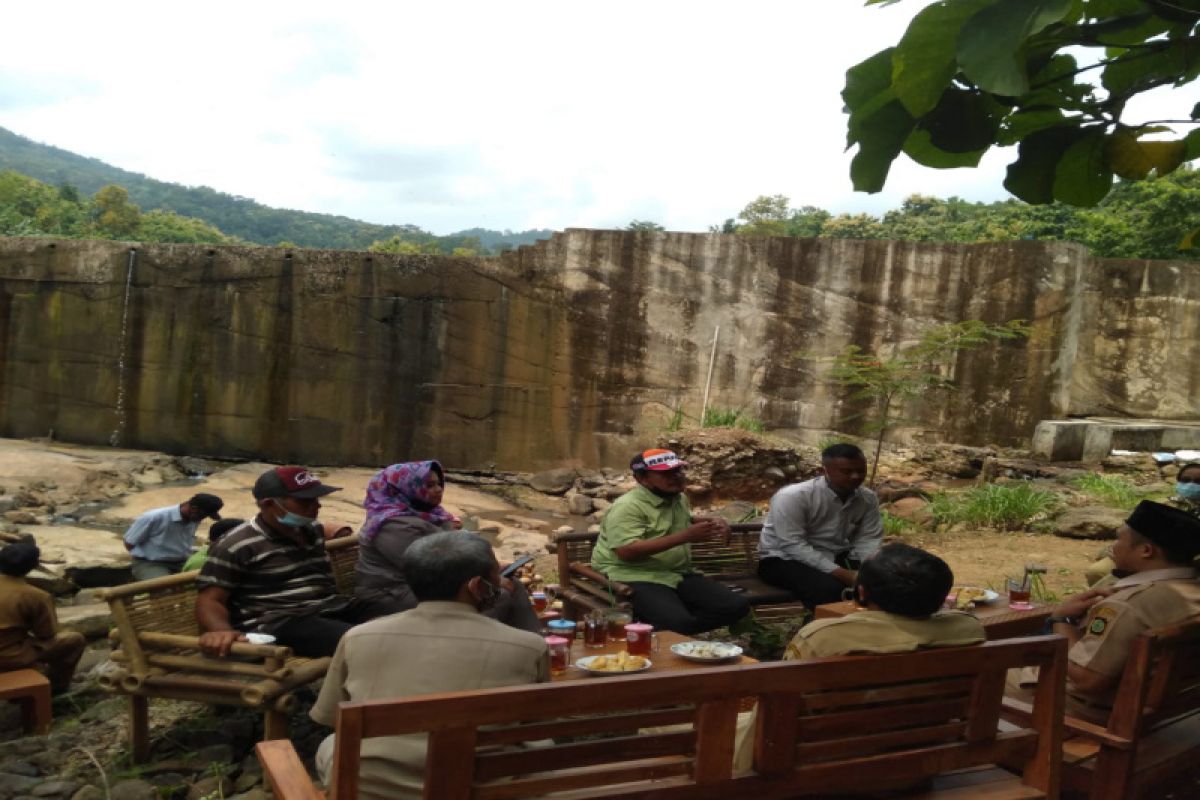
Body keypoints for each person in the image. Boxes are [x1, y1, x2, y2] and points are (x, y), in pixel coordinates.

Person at [312, 530, 549, 799]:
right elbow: (534, 726)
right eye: (496, 575)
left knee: (330, 745)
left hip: (373, 789)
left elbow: (331, 717)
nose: (501, 582)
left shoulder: (357, 637)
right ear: (475, 586)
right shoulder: (527, 647)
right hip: (479, 787)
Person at [1010, 500, 1200, 722]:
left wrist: (1062, 619)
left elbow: (1087, 681)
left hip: (1091, 711)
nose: (1113, 547)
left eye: (1119, 539)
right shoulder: (1190, 588)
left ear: (1146, 550)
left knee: (978, 672)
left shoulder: (1127, 605)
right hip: (1167, 707)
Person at [196, 466, 372, 658]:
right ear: (269, 504)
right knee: (361, 642)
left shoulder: (311, 529)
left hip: (330, 607)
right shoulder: (237, 544)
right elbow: (210, 599)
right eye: (305, 501)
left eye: (316, 499)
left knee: (399, 618)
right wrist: (221, 630)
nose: (317, 506)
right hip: (281, 622)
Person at [354, 461, 539, 632]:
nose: (438, 490)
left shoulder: (430, 514)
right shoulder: (392, 524)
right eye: (429, 485)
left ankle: (535, 646)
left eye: (439, 484)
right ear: (405, 489)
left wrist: (491, 569)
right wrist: (488, 575)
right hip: (392, 593)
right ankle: (469, 652)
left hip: (430, 585)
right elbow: (429, 567)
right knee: (497, 595)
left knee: (512, 584)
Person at [591, 449, 750, 634]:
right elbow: (626, 551)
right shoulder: (627, 507)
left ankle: (666, 631)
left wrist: (713, 521)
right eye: (665, 473)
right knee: (679, 623)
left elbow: (679, 520)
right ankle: (666, 632)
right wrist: (685, 536)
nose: (676, 477)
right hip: (634, 575)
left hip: (675, 573)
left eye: (678, 471)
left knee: (736, 606)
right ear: (642, 478)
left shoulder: (678, 498)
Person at [784, 542, 984, 659]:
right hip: (939, 728)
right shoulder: (968, 628)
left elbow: (782, 703)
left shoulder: (821, 638)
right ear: (942, 595)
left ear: (861, 593)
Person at [757, 443, 883, 610]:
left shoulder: (867, 498)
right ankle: (821, 632)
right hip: (783, 559)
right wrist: (844, 574)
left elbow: (868, 537)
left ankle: (869, 630)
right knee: (832, 590)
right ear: (824, 471)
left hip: (834, 555)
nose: (855, 476)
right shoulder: (794, 497)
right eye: (846, 471)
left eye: (861, 471)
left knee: (885, 583)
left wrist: (866, 569)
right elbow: (792, 544)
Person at [1084, 462, 1200, 586]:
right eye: (1185, 480)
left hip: (1181, 565)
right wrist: (1114, 551)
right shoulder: (1161, 506)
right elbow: (1130, 532)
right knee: (1097, 572)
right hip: (1141, 553)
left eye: (1198, 481)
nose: (1191, 485)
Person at [0, 542, 86, 693]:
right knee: (74, 640)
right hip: (9, 655)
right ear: (33, 566)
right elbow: (46, 634)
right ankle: (54, 689)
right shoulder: (36, 595)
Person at [124, 493, 224, 581]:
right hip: (151, 562)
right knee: (163, 588)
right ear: (193, 509)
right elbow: (129, 542)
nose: (203, 519)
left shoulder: (194, 518)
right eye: (203, 515)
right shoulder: (154, 517)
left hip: (181, 561)